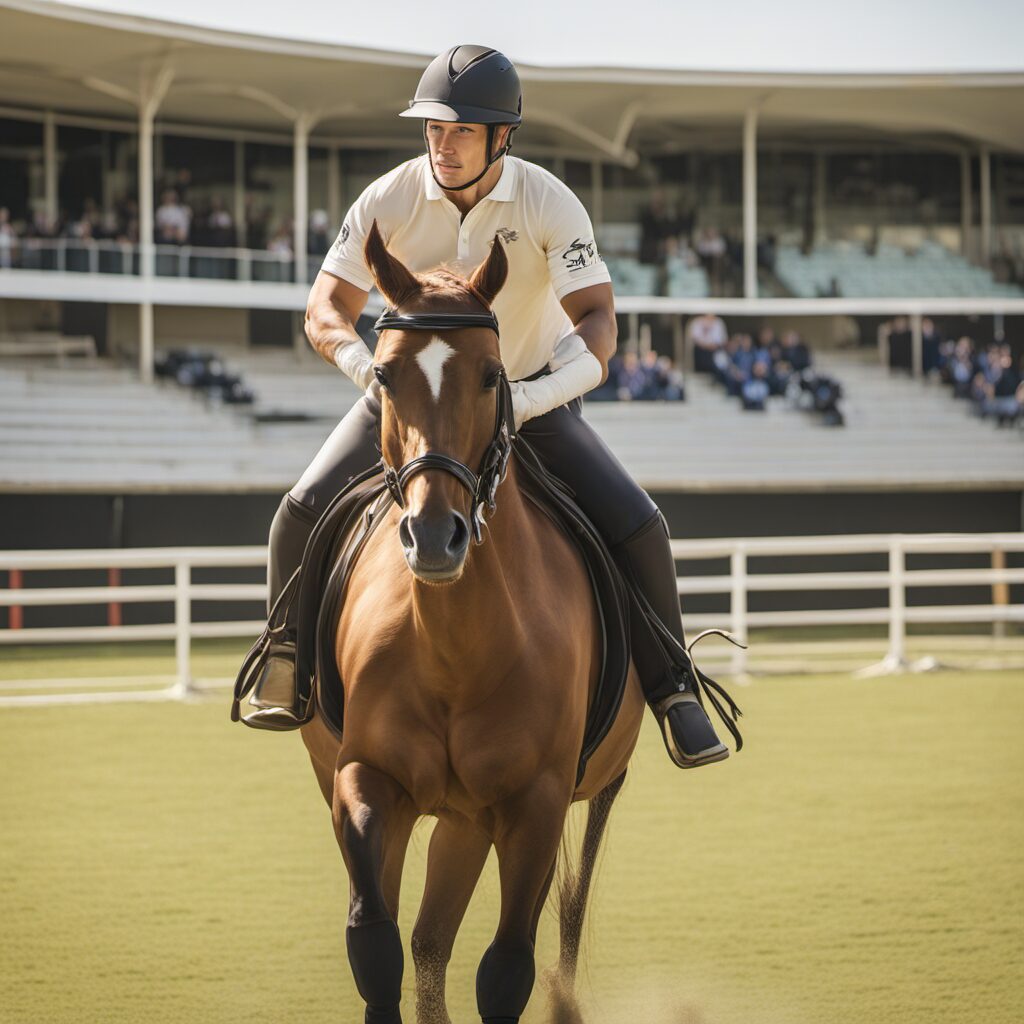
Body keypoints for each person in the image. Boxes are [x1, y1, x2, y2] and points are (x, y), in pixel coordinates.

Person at [246, 44, 734, 769]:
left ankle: (674, 691)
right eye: (434, 130)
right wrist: (367, 371)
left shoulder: (548, 201)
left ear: (502, 136)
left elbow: (598, 320)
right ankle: (286, 660)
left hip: (531, 396)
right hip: (414, 398)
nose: (444, 146)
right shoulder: (387, 198)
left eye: (462, 131)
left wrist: (533, 396)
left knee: (640, 523)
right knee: (300, 506)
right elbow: (326, 308)